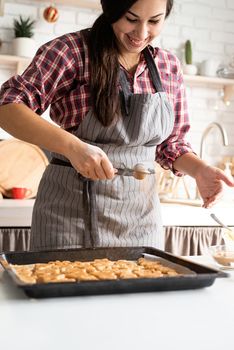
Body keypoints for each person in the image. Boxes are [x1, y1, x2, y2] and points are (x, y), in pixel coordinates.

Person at [0, 0, 233, 251]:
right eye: (131, 19)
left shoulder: (168, 65)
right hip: (70, 217)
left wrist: (200, 170)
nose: (142, 33)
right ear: (112, 9)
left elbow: (171, 144)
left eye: (154, 21)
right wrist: (74, 147)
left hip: (141, 221)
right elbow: (7, 107)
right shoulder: (71, 51)